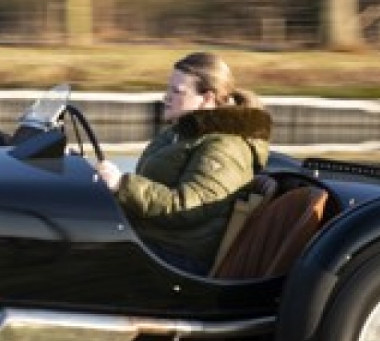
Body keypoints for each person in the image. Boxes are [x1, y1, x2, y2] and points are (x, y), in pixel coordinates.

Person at [95, 52, 272, 273]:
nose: (165, 97)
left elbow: (187, 207)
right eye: (168, 89)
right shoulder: (181, 133)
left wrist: (122, 184)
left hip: (178, 258)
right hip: (151, 238)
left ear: (207, 99)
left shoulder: (225, 147)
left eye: (176, 91)